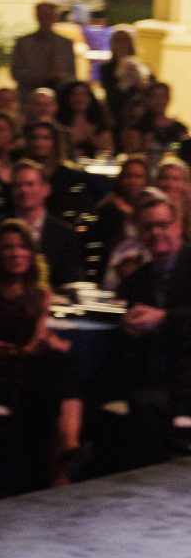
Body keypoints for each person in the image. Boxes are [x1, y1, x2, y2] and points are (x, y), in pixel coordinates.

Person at [0, 219, 86, 485]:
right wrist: (30, 350)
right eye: (8, 248)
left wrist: (46, 345)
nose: (16, 253)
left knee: (63, 365)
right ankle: (63, 460)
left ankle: (64, 456)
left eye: (22, 247)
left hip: (27, 368)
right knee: (57, 369)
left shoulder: (40, 293)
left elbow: (37, 338)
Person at [117, 195, 191, 458]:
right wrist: (128, 327)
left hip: (185, 376)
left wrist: (163, 319)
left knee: (147, 404)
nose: (156, 232)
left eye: (162, 224)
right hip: (154, 375)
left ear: (178, 226)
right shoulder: (136, 280)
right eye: (148, 227)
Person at [0, 159, 88, 289]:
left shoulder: (65, 234)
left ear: (46, 189)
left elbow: (71, 281)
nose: (24, 190)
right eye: (17, 185)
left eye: (30, 184)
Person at [10, 1, 76, 99]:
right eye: (42, 16)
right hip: (29, 98)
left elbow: (72, 75)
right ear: (37, 17)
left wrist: (62, 76)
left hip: (59, 98)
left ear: (55, 17)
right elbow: (16, 73)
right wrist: (44, 75)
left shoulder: (65, 44)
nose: (45, 19)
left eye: (49, 16)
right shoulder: (23, 43)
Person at [57, 79, 112, 161]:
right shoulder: (59, 121)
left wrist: (90, 137)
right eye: (75, 94)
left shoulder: (99, 121)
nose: (79, 98)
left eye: (84, 94)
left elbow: (107, 150)